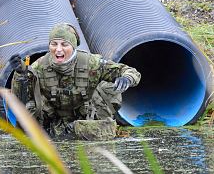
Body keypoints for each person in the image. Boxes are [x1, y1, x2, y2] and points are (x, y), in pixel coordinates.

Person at [10, 23, 141, 139]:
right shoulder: (39, 66)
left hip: (86, 116)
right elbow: (20, 99)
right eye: (54, 44)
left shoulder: (91, 62)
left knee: (105, 95)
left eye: (64, 44)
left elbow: (128, 71)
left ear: (73, 46)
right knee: (29, 110)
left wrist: (127, 78)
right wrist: (20, 74)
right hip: (54, 118)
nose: (58, 49)